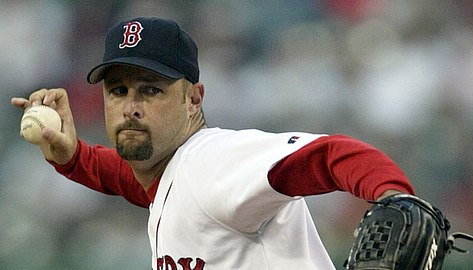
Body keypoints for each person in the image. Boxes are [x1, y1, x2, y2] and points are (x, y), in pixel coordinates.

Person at [12, 17, 415, 270]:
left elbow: (331, 154)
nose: (130, 107)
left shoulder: (213, 161)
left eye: (151, 91)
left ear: (193, 99)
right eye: (118, 90)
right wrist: (73, 156)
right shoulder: (174, 175)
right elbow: (137, 181)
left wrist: (397, 198)